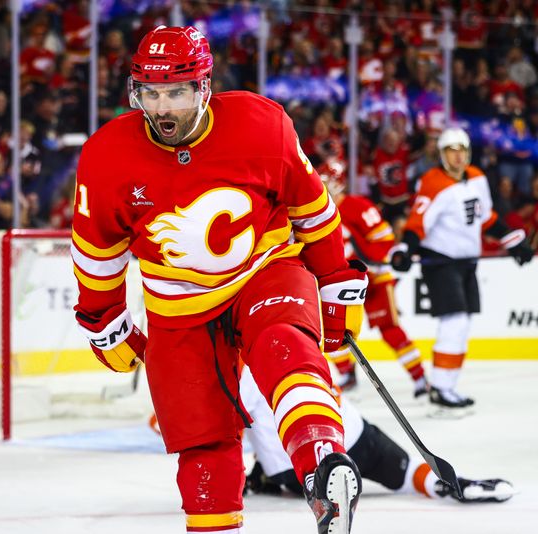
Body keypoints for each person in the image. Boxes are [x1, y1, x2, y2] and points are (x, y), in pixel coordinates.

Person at [71, 26, 367, 534]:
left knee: (284, 344)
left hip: (263, 269)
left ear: (204, 88)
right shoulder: (107, 156)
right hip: (177, 306)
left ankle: (322, 465)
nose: (162, 108)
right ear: (135, 91)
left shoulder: (262, 124)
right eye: (152, 93)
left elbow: (313, 211)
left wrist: (335, 279)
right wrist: (103, 318)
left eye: (177, 92)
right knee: (202, 440)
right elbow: (97, 250)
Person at [389, 127, 534, 413]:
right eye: (451, 150)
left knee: (463, 323)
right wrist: (405, 250)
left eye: (462, 150)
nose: (458, 156)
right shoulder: (432, 183)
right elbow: (417, 224)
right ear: (442, 155)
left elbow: (487, 218)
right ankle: (441, 388)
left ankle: (448, 385)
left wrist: (513, 241)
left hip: (468, 261)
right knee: (453, 322)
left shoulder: (478, 178)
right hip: (441, 262)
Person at [239, 366, 514, 503]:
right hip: (355, 435)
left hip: (296, 469)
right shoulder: (300, 329)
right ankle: (446, 485)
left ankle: (443, 484)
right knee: (403, 471)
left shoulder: (241, 362)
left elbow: (232, 427)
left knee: (260, 418)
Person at [317, 160, 428, 398]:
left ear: (338, 183)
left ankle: (420, 378)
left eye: (327, 182)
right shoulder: (316, 212)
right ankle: (347, 374)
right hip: (341, 283)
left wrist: (372, 262)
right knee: (331, 331)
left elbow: (384, 240)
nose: (323, 187)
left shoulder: (356, 205)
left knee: (389, 328)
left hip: (373, 277)